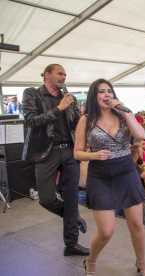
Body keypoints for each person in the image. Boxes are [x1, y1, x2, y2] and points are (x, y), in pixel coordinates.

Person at [73, 79, 145, 275]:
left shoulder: (124, 114)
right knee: (106, 231)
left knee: (136, 224)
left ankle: (141, 262)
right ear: (94, 95)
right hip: (100, 175)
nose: (107, 95)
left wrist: (125, 111)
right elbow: (77, 153)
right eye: (102, 91)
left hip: (126, 171)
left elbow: (141, 134)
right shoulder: (86, 119)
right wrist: (93, 155)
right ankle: (91, 261)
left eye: (110, 91)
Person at [22, 64, 88, 257]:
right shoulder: (32, 94)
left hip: (69, 150)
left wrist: (82, 120)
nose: (64, 77)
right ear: (47, 75)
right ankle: (72, 217)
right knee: (46, 199)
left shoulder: (70, 99)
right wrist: (59, 108)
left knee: (71, 198)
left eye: (65, 74)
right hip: (46, 152)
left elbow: (76, 123)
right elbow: (31, 121)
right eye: (60, 74)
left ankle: (71, 244)